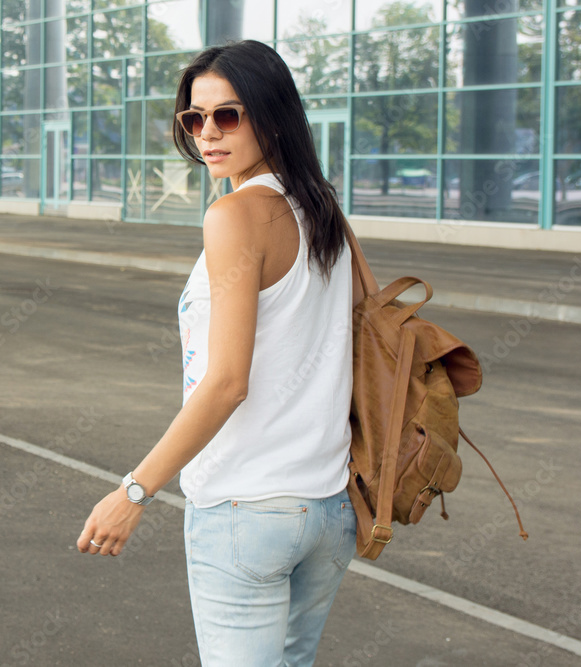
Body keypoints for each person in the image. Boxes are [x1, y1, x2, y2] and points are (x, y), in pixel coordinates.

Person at [76, 40, 357, 666]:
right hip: (328, 508)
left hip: (246, 509)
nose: (207, 133)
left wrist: (134, 492)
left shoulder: (234, 215)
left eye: (227, 115)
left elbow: (228, 382)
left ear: (272, 116)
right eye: (194, 118)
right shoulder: (321, 209)